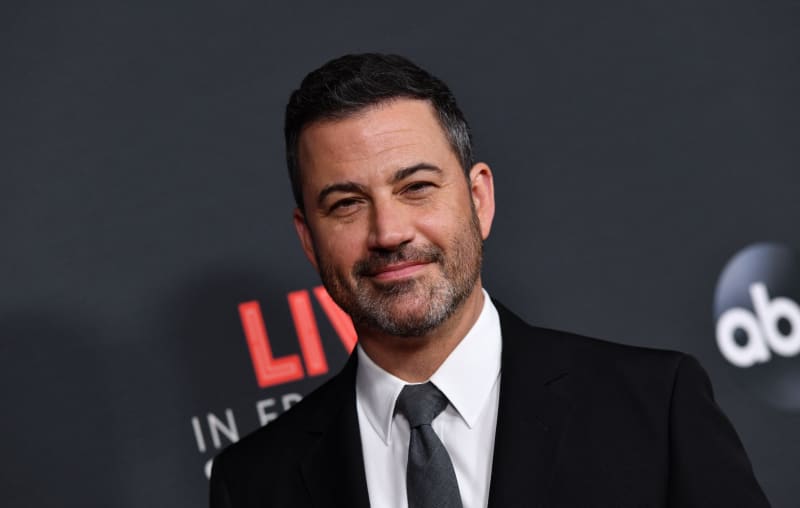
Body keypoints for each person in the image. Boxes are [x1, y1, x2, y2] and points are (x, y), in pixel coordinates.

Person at [210, 53, 769, 508]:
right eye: (347, 204)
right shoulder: (254, 483)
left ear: (478, 200)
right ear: (309, 238)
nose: (389, 232)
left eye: (417, 187)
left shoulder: (652, 407)